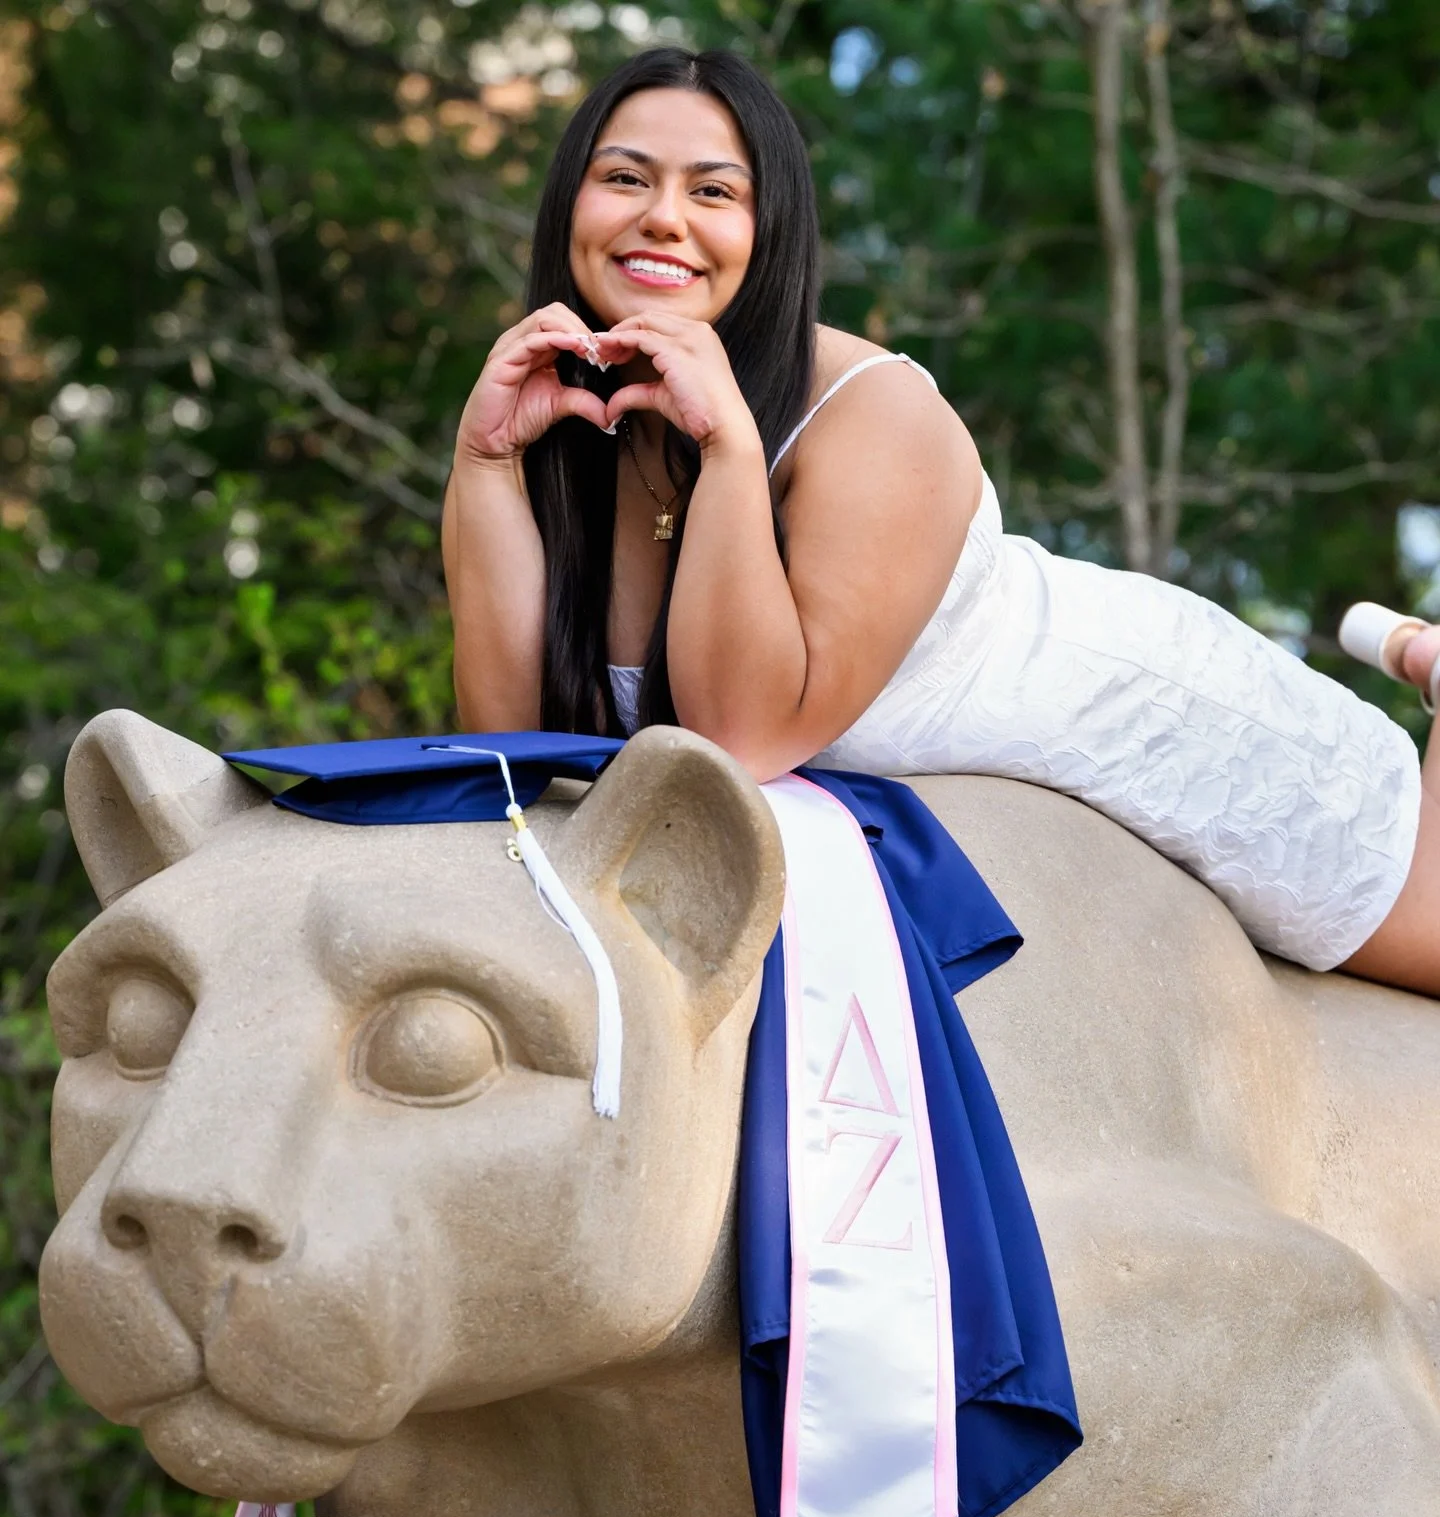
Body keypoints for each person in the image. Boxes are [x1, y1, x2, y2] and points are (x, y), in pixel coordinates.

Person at [444, 48, 1440, 996]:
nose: (665, 219)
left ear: (772, 229)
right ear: (569, 205)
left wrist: (733, 450)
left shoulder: (873, 413)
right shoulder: (572, 418)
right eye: (625, 178)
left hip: (1160, 726)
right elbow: (512, 755)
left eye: (714, 192)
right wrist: (486, 467)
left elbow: (740, 736)